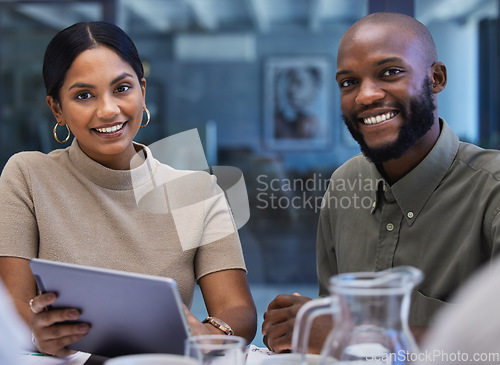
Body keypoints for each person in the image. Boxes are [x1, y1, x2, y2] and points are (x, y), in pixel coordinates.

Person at [0, 21, 256, 357]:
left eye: (121, 88)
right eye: (84, 95)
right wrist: (35, 331)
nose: (108, 110)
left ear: (142, 91)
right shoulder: (27, 176)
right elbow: (12, 303)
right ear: (57, 109)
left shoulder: (199, 192)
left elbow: (238, 310)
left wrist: (211, 332)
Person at [262, 12, 500, 353]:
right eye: (348, 83)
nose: (365, 96)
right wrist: (298, 328)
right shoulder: (343, 184)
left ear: (436, 78)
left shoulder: (492, 191)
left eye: (390, 72)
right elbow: (330, 331)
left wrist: (348, 334)